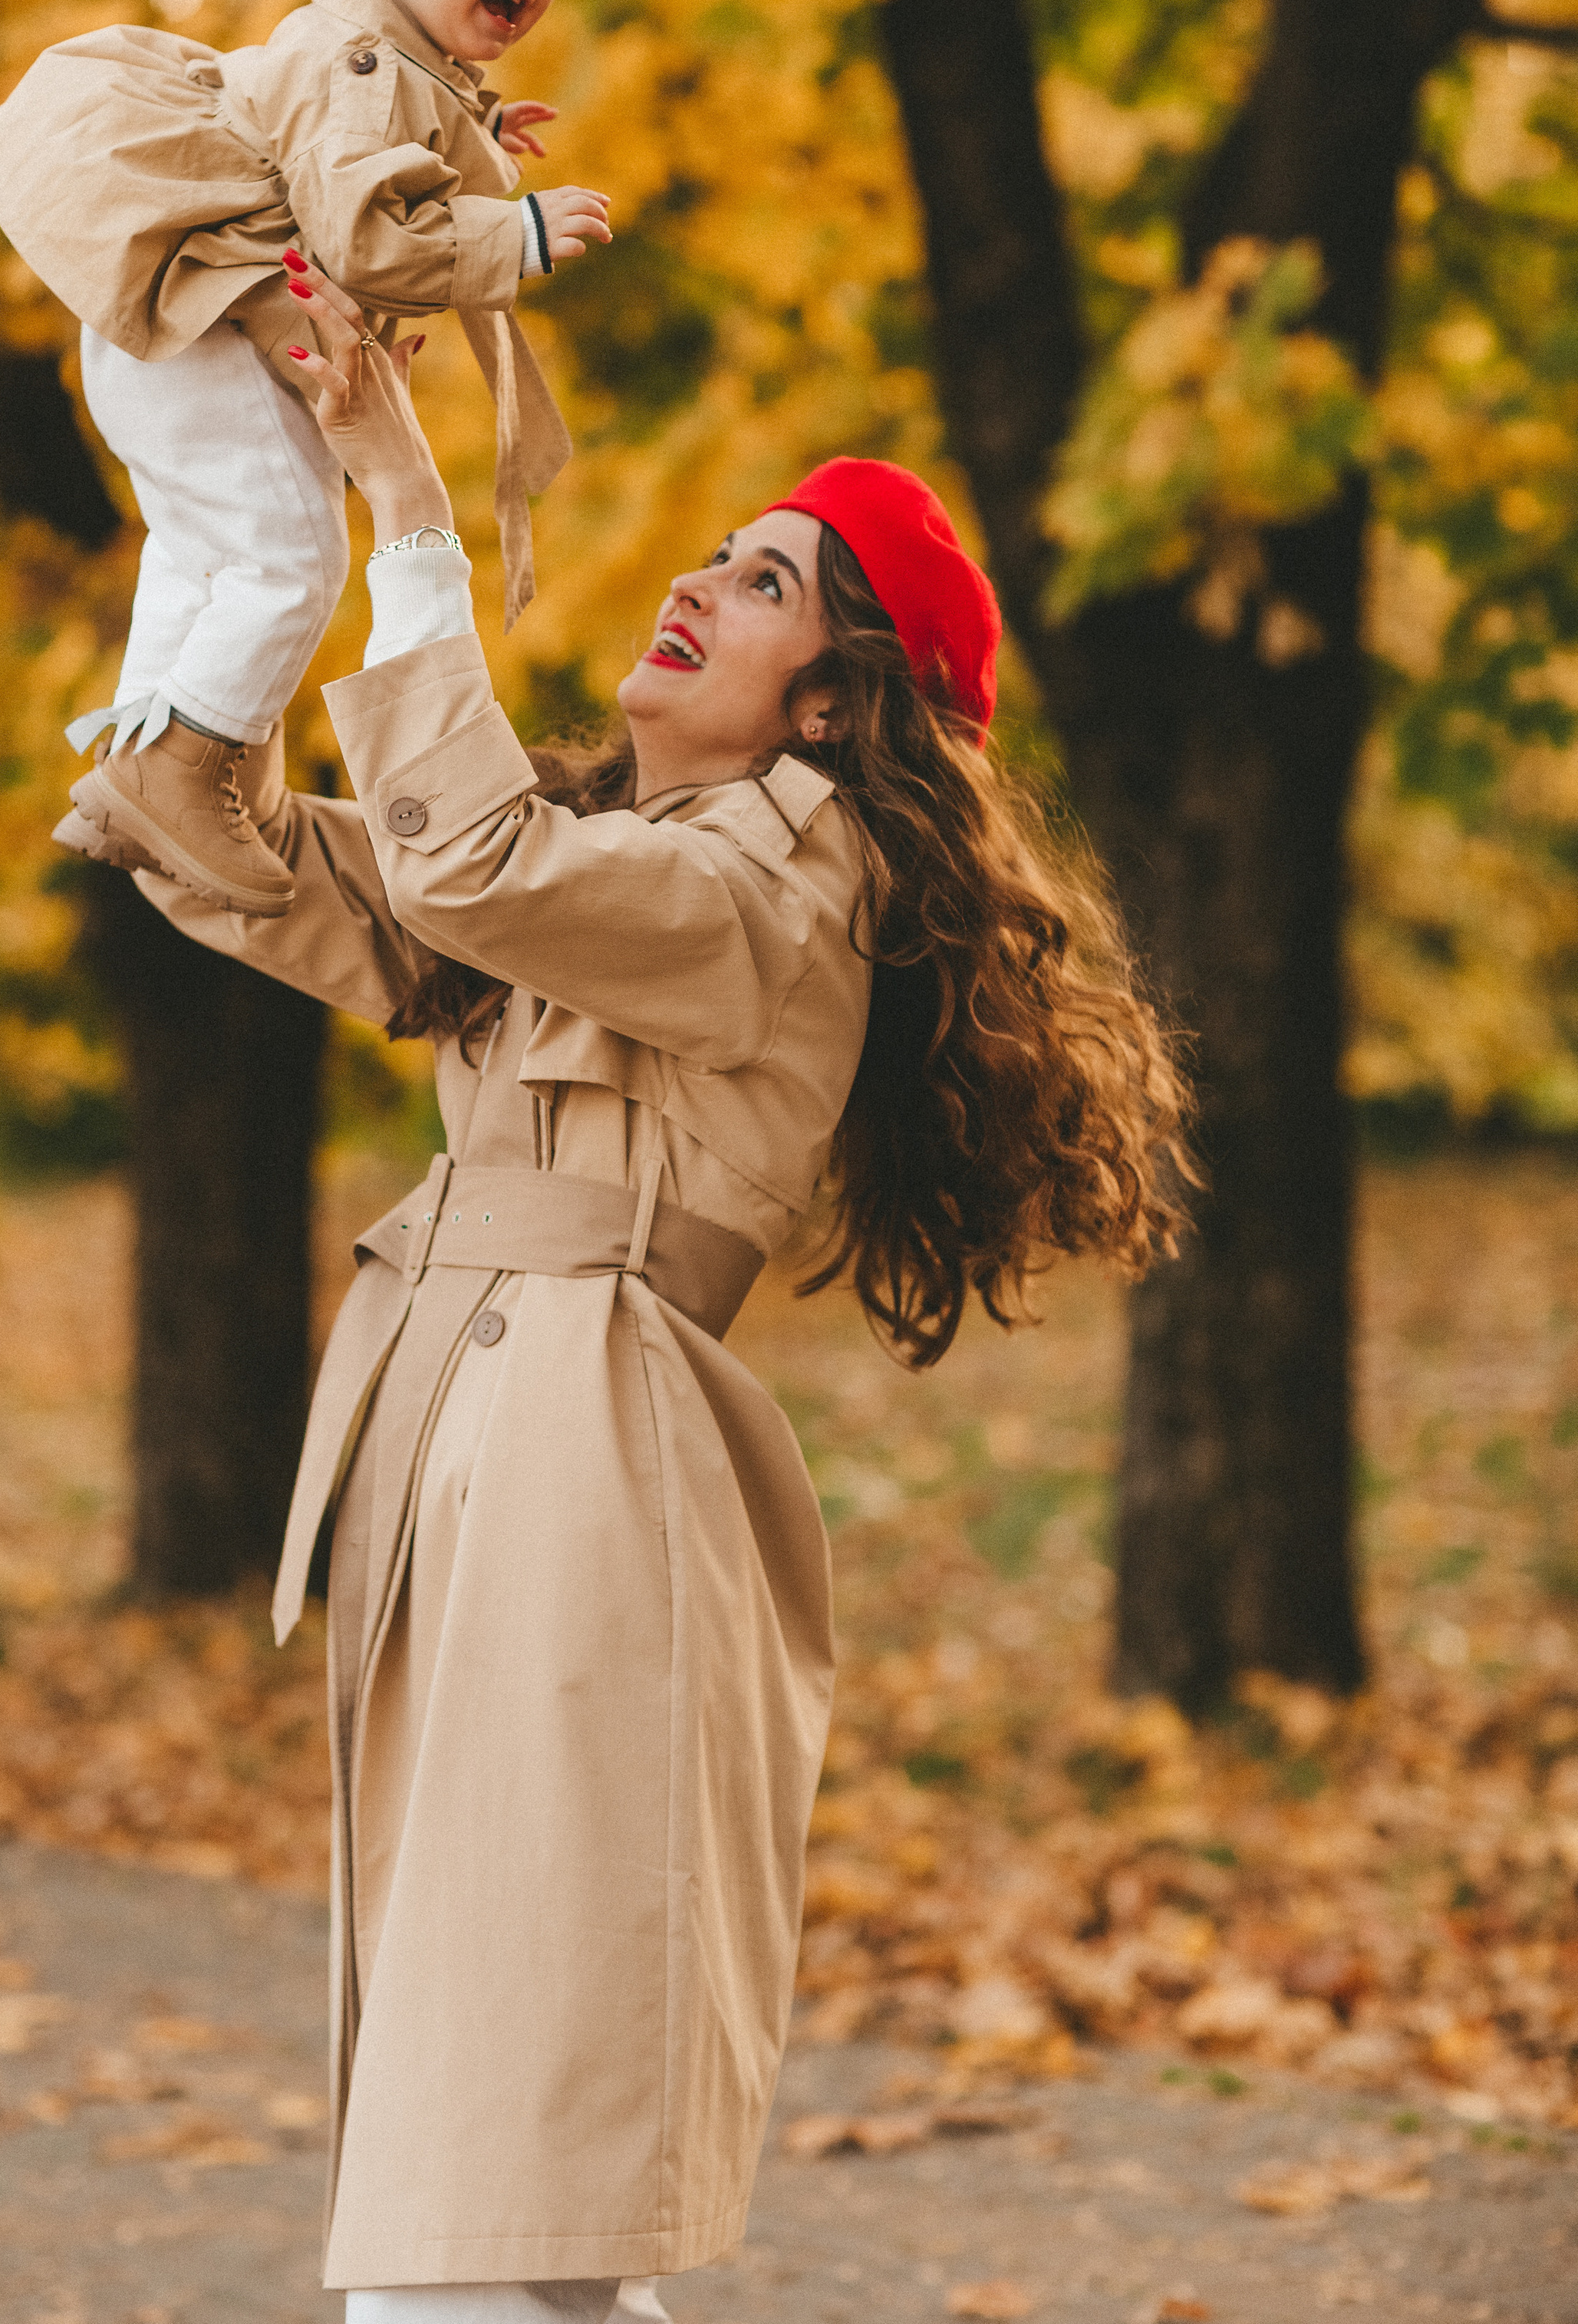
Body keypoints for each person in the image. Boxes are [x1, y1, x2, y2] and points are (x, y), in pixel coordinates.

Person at [112, 264, 1191, 2322]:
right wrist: (241, 555)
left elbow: (468, 869)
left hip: (587, 1475)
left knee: (483, 2210)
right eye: (719, 550)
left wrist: (409, 514)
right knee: (516, 2204)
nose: (703, 579)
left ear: (829, 700)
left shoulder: (787, 879)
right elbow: (311, 873)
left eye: (772, 582)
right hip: (486, 1451)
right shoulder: (624, 863)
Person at [0, 0, 612, 921]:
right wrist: (507, 233)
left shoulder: (387, 64)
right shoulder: (360, 65)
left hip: (185, 323)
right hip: (224, 321)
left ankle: (138, 757)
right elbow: (365, 234)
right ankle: (186, 764)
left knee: (202, 548)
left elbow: (372, 138)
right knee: (294, 558)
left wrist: (473, 133)